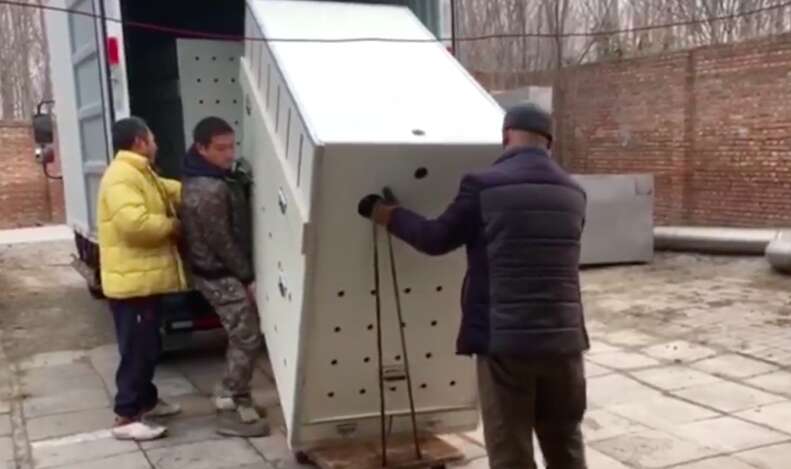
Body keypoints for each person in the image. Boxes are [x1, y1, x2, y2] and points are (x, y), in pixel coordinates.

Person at [358, 104, 589, 469]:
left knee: (511, 451)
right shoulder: (574, 193)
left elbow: (435, 238)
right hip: (565, 342)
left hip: (507, 345)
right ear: (550, 142)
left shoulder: (483, 186)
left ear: (505, 137)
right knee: (565, 444)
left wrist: (386, 212)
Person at [180, 116, 269, 437]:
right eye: (221, 148)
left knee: (243, 335)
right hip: (218, 273)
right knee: (246, 335)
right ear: (201, 148)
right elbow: (221, 241)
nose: (229, 154)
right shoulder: (208, 188)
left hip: (216, 269)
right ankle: (229, 400)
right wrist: (247, 277)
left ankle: (239, 396)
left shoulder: (208, 177)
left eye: (232, 146)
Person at [97, 117, 186, 441]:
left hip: (141, 280)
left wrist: (199, 186)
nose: (156, 144)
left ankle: (147, 401)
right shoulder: (122, 176)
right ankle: (126, 415)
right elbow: (134, 225)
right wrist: (172, 226)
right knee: (136, 350)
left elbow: (167, 190)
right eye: (152, 138)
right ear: (139, 142)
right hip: (132, 284)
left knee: (148, 345)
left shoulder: (141, 172)